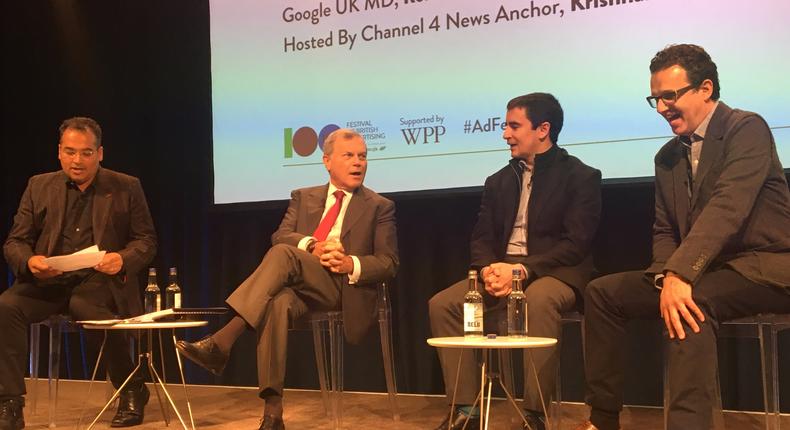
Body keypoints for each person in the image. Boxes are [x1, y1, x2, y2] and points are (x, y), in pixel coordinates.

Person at [574, 44, 790, 430]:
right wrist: (664, 275)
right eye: (655, 98)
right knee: (602, 294)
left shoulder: (746, 128)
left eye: (670, 96)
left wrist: (681, 276)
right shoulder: (667, 157)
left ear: (705, 88)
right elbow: (665, 229)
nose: (661, 108)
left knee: (691, 302)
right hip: (703, 269)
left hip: (764, 267)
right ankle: (602, 420)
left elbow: (728, 208)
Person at [176, 128, 398, 430]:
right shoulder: (303, 196)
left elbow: (389, 263)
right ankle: (273, 413)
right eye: (349, 156)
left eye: (362, 156)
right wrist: (313, 246)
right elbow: (281, 234)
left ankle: (223, 341)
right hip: (300, 285)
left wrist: (348, 263)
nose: (358, 163)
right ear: (327, 161)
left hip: (341, 288)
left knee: (283, 254)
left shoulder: (379, 206)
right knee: (276, 302)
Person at [429, 93, 602, 430]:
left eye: (513, 126)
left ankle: (534, 414)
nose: (505, 133)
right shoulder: (498, 180)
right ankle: (466, 409)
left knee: (536, 299)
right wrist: (489, 270)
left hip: (556, 272)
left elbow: (576, 243)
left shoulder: (581, 176)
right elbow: (480, 238)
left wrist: (522, 270)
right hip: (502, 268)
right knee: (443, 304)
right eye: (505, 125)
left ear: (543, 129)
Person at [0, 117, 157, 430]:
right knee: (6, 306)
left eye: (86, 153)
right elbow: (15, 241)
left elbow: (146, 240)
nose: (77, 160)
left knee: (86, 308)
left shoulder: (126, 186)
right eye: (70, 152)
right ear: (59, 152)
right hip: (49, 280)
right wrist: (31, 262)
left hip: (98, 281)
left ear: (100, 154)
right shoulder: (38, 185)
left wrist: (122, 259)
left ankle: (132, 389)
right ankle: (10, 403)